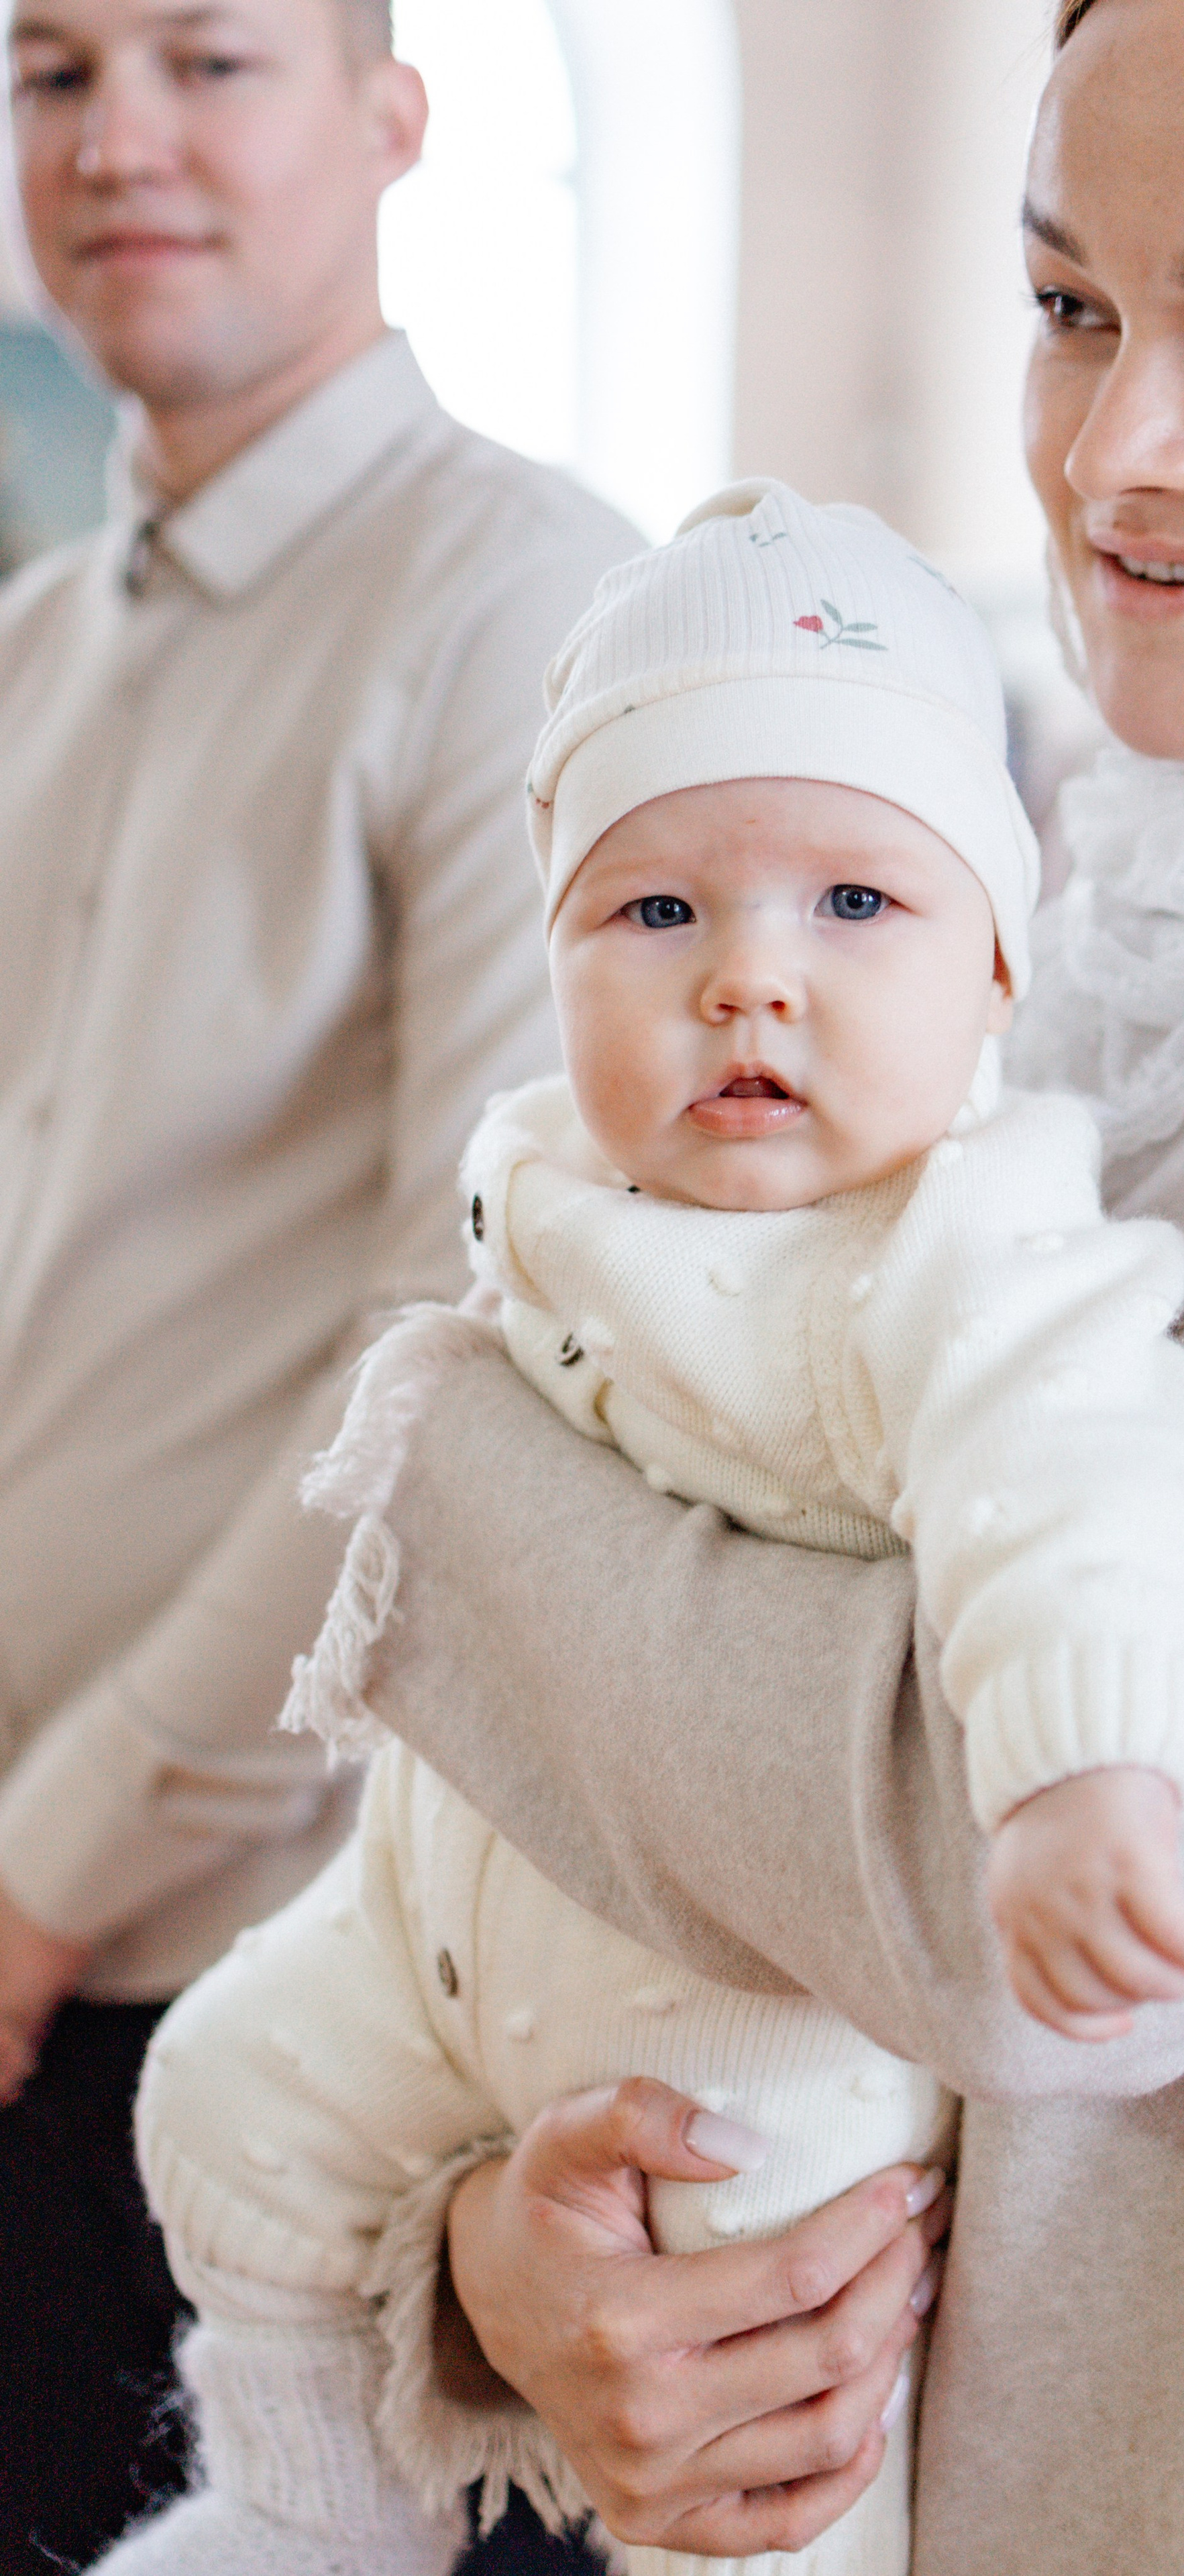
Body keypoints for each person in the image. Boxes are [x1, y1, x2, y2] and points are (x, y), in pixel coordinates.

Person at [266, 0, 1184, 2569]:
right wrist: (520, 2278)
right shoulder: (1107, 891)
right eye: (1069, 306)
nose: (1111, 448)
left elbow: (1022, 1891)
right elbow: (726, 1706)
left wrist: (444, 1472)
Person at [93, 480, 1184, 2576]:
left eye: (853, 903)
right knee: (219, 2097)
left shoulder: (959, 1244)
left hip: (738, 2032)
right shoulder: (547, 1173)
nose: (748, 984)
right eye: (654, 916)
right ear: (552, 958)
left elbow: (1082, 1461)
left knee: (764, 2378)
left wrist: (1083, 1770)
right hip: (427, 1915)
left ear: (1000, 959)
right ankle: (308, 2517)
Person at [0, 0, 633, 2565]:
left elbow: (454, 1346)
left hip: (266, 1990)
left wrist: (49, 1866)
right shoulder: (36, 646)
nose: (118, 138)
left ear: (393, 122)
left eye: (210, 60)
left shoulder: (528, 603)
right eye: (52, 73)